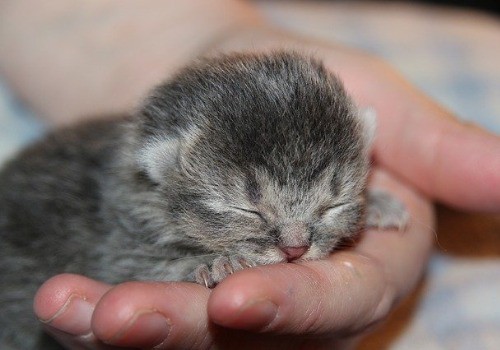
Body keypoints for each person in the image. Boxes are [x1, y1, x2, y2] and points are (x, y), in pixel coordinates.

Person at [1, 1, 499, 349]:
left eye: (331, 203)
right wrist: (201, 271)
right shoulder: (130, 212)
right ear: (163, 172)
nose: (297, 242)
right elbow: (126, 272)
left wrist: (360, 210)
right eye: (249, 207)